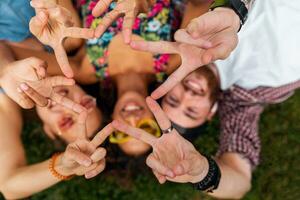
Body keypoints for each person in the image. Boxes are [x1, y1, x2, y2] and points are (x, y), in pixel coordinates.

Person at [119, 0, 300, 198]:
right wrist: (204, 174)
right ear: (211, 112)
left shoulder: (188, 34)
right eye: (192, 111)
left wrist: (232, 9)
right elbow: (240, 179)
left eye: (173, 100)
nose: (187, 96)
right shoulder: (245, 98)